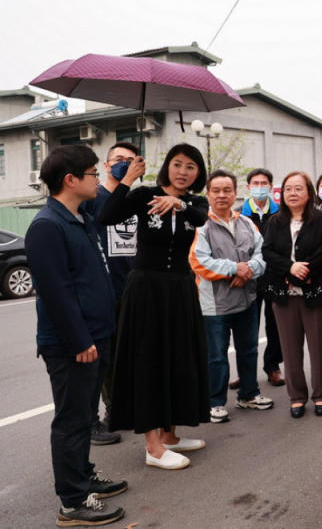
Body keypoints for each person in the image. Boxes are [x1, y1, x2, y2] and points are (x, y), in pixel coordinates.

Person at [26, 145, 126, 526]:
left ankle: (84, 478)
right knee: (71, 420)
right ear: (71, 180)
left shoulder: (80, 218)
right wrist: (80, 341)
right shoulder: (47, 226)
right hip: (73, 345)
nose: (97, 180)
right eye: (92, 174)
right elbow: (55, 293)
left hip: (95, 336)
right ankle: (73, 502)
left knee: (84, 416)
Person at [100, 143, 210, 470]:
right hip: (146, 288)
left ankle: (170, 436)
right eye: (177, 164)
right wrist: (126, 181)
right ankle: (152, 447)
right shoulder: (144, 194)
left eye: (190, 166)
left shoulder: (195, 202)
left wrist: (178, 203)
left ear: (198, 173)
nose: (183, 171)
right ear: (167, 166)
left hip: (179, 289)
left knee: (179, 358)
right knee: (148, 360)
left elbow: (200, 217)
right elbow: (106, 216)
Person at [189, 170, 273, 424]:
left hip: (246, 299)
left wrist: (247, 272)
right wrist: (235, 269)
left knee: (248, 350)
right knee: (216, 355)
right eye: (216, 190)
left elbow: (262, 254)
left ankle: (249, 394)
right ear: (208, 194)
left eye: (227, 190)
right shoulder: (200, 226)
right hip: (214, 304)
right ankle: (215, 402)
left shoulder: (247, 223)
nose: (222, 195)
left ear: (236, 193)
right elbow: (198, 261)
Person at [79, 141, 141, 446]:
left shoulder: (138, 199)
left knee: (130, 355)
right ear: (106, 166)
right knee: (104, 359)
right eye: (119, 160)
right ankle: (98, 418)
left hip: (135, 289)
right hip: (105, 291)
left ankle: (122, 408)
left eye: (131, 160)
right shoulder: (93, 197)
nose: (124, 164)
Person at [261, 172, 322, 418]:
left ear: (309, 192)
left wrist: (302, 271)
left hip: (315, 291)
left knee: (319, 347)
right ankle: (297, 397)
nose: (292, 193)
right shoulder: (274, 221)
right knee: (290, 349)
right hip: (284, 295)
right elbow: (268, 252)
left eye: (298, 188)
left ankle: (321, 395)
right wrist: (290, 269)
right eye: (288, 189)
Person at [239, 168, 285, 388]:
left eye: (263, 183)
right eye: (255, 183)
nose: (259, 187)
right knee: (247, 327)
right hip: (249, 278)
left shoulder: (280, 213)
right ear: (248, 187)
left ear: (270, 186)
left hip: (275, 277)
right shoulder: (239, 214)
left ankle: (273, 366)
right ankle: (245, 372)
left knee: (275, 325)